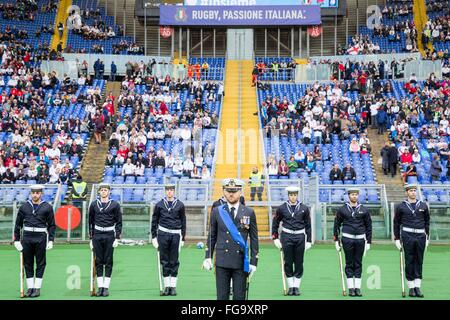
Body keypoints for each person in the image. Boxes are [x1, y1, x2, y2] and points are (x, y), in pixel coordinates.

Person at [203, 179, 259, 300]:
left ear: (240, 192)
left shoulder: (249, 212)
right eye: (228, 191)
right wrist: (208, 256)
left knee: (239, 297)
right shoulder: (217, 211)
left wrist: (254, 261)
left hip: (240, 262)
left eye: (234, 191)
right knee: (222, 297)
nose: (231, 194)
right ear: (223, 191)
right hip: (222, 261)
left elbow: (254, 238)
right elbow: (212, 236)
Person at [13, 185, 56, 298]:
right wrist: (16, 240)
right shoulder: (24, 206)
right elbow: (18, 224)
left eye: (37, 193)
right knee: (28, 263)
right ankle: (30, 288)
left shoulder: (47, 207)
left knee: (41, 263)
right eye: (33, 192)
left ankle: (37, 288)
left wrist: (51, 240)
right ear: (30, 193)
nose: (35, 195)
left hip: (41, 237)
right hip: (27, 237)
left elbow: (52, 225)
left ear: (41, 193)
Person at [272, 186, 312, 296]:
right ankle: (291, 287)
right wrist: (275, 238)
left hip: (300, 237)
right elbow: (275, 223)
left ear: (297, 195)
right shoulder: (281, 208)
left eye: (294, 195)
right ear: (288, 195)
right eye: (291, 195)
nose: (293, 197)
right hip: (286, 236)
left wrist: (308, 240)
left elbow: (308, 225)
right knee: (288, 262)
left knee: (299, 262)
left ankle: (297, 287)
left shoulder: (304, 208)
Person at [333, 188, 372, 297]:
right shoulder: (342, 209)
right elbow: (336, 225)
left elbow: (369, 226)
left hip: (360, 239)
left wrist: (368, 241)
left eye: (356, 194)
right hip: (347, 239)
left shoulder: (364, 209)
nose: (354, 196)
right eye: (352, 194)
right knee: (349, 263)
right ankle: (351, 288)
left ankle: (358, 288)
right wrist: (336, 240)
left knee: (358, 263)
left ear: (358, 196)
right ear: (348, 196)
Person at [393, 184, 430, 298]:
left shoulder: (423, 205)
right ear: (407, 192)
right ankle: (411, 287)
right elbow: (396, 223)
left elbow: (427, 222)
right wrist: (397, 238)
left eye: (414, 191)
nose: (413, 192)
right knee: (409, 260)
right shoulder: (401, 206)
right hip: (407, 235)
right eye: (411, 191)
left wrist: (427, 236)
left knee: (419, 260)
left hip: (420, 236)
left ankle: (417, 287)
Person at [151, 184, 186, 296]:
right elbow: (154, 221)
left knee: (174, 260)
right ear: (165, 192)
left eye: (171, 190)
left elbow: (183, 221)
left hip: (176, 234)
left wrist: (183, 237)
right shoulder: (159, 204)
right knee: (165, 260)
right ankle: (167, 286)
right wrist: (153, 237)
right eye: (168, 190)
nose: (170, 192)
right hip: (163, 234)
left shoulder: (180, 205)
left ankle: (173, 286)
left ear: (174, 192)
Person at [88, 183, 123, 297]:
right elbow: (90, 222)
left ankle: (106, 287)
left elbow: (119, 222)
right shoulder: (94, 205)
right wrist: (91, 237)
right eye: (102, 190)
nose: (103, 192)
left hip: (109, 234)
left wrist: (117, 237)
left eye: (105, 190)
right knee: (98, 261)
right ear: (99, 192)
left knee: (108, 261)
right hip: (97, 234)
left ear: (109, 192)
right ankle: (100, 287)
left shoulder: (115, 205)